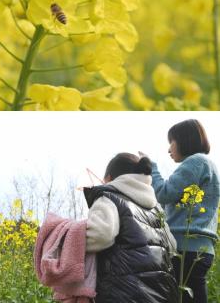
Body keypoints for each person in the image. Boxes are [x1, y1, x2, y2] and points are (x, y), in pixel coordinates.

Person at [84, 153, 178, 303]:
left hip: (123, 295)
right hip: (163, 295)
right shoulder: (156, 208)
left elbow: (99, 236)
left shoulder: (108, 197)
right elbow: (172, 246)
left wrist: (67, 240)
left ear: (109, 178)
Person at [145, 119, 220, 303]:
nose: (169, 149)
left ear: (185, 140)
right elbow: (175, 202)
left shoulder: (195, 162)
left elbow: (164, 193)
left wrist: (152, 168)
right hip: (202, 248)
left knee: (181, 296)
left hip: (186, 247)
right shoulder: (205, 164)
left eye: (171, 142)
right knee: (192, 294)